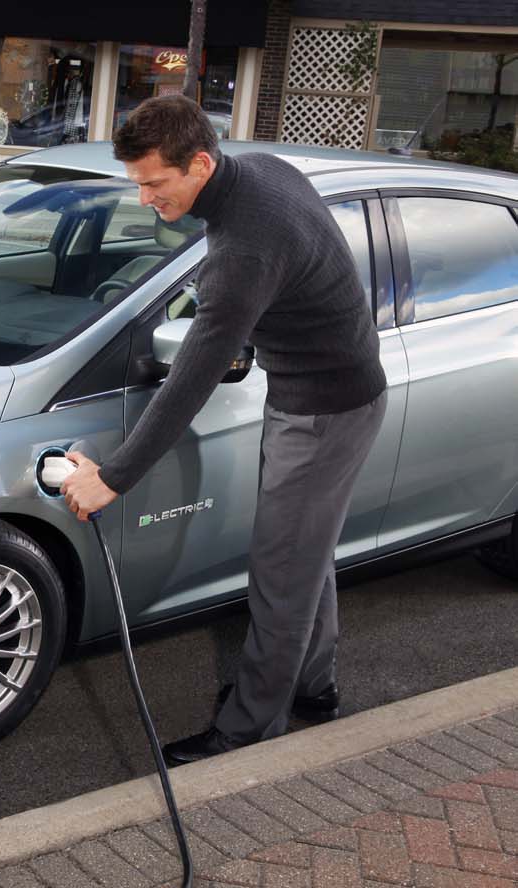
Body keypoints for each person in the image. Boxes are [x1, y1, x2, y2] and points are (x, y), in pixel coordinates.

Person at [58, 95, 388, 765]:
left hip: (324, 409)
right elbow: (304, 267)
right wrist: (260, 328)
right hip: (328, 390)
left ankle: (246, 731)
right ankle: (312, 688)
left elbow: (190, 380)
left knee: (279, 569)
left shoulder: (241, 249)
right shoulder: (264, 169)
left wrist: (111, 479)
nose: (144, 197)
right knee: (303, 555)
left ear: (199, 162)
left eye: (155, 182)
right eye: (138, 183)